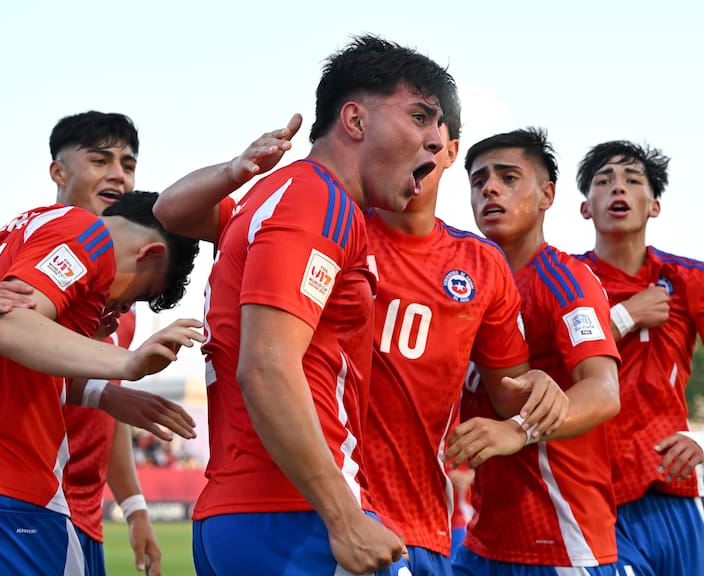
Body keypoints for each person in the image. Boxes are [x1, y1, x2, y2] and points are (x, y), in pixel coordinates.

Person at [154, 34, 464, 576]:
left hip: (241, 514)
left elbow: (171, 210)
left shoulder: (271, 195)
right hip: (296, 521)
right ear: (355, 119)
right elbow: (267, 366)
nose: (433, 142)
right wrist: (344, 518)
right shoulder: (319, 200)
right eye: (418, 117)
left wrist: (234, 169)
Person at [361, 108, 570, 575]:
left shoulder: (484, 264)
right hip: (340, 513)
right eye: (484, 179)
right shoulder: (337, 226)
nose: (491, 188)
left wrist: (535, 393)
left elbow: (515, 389)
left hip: (432, 526)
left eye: (428, 130)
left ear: (449, 150)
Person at [0, 191, 203, 575]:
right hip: (9, 491)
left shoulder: (14, 236)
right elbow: (9, 331)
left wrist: (102, 392)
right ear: (149, 255)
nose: (121, 309)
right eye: (140, 296)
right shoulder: (88, 233)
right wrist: (129, 362)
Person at [449, 128, 621, 576]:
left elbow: (603, 391)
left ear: (547, 195)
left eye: (508, 178)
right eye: (478, 179)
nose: (489, 188)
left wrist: (520, 428)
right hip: (483, 539)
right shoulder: (464, 284)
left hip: (561, 543)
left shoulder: (565, 280)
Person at [575, 140, 704, 576]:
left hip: (672, 491)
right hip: (585, 492)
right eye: (604, 180)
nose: (619, 189)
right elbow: (537, 376)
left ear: (654, 206)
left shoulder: (691, 277)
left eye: (633, 181)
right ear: (584, 207)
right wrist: (623, 318)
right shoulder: (563, 279)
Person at [51, 110, 159, 576]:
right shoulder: (28, 273)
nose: (118, 175)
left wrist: (134, 508)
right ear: (58, 171)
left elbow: (108, 411)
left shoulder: (123, 303)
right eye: (100, 161)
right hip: (30, 505)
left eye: (128, 165)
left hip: (87, 519)